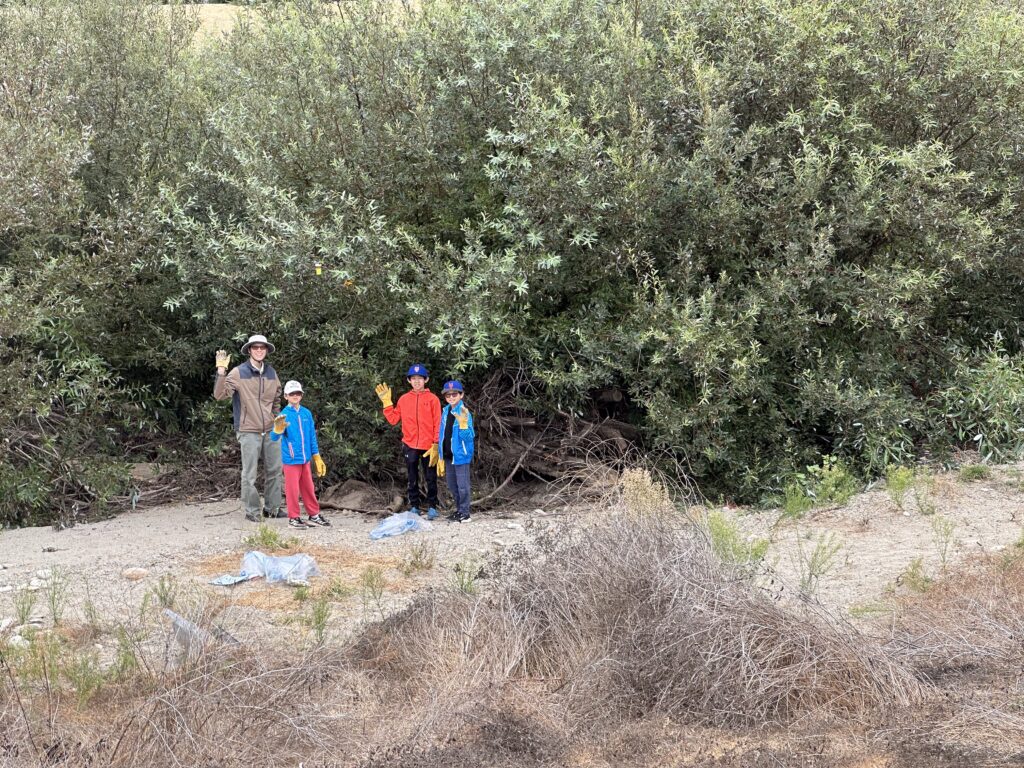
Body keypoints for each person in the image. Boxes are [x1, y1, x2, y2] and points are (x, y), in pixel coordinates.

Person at [213, 334, 284, 522]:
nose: (259, 350)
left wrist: (276, 417)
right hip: (248, 430)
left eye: (262, 347)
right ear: (249, 350)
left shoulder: (271, 373)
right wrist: (221, 371)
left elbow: (277, 398)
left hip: (271, 430)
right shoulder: (238, 372)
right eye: (255, 347)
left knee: (275, 470)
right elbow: (220, 395)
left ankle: (272, 509)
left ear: (266, 350)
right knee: (249, 474)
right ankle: (252, 511)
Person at [374, 363, 441, 519]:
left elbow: (438, 423)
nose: (417, 381)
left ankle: (432, 506)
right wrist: (387, 403)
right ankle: (414, 506)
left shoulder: (433, 399)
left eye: (420, 378)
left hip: (429, 445)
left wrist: (436, 443)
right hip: (410, 444)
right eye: (414, 378)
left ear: (426, 380)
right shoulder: (404, 399)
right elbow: (393, 419)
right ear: (409, 380)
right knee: (412, 477)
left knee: (431, 477)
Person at [270, 380, 331, 529]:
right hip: (291, 460)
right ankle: (293, 518)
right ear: (286, 396)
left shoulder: (306, 413)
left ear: (301, 395)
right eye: (292, 393)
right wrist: (277, 430)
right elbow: (274, 438)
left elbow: (311, 436)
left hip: (305, 460)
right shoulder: (283, 415)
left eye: (297, 393)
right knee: (292, 490)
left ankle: (314, 515)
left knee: (309, 488)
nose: (295, 396)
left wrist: (316, 456)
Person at [437, 380, 474, 523]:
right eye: (448, 395)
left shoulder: (464, 412)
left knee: (463, 486)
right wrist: (440, 454)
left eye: (454, 394)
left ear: (461, 395)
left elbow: (469, 437)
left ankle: (465, 513)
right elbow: (442, 434)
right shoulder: (446, 411)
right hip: (448, 456)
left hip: (461, 455)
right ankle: (459, 511)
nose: (451, 397)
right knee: (453, 486)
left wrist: (463, 426)